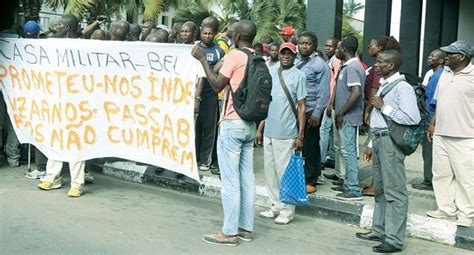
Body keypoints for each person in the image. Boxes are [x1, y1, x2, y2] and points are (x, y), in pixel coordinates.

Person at [192, 19, 257, 246]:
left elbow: (217, 85)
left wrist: (202, 60)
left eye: (232, 32)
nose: (229, 34)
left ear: (238, 36)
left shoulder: (235, 56)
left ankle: (229, 232)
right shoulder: (256, 57)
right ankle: (245, 228)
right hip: (249, 123)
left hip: (232, 122)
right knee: (247, 179)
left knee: (230, 181)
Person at [357, 50, 421, 253]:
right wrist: (369, 144)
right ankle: (379, 229)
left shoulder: (403, 88)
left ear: (391, 65)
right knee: (381, 190)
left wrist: (384, 107)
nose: (376, 65)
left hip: (390, 144)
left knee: (395, 192)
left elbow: (413, 118)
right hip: (378, 140)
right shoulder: (385, 84)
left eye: (380, 62)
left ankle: (394, 239)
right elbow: (377, 120)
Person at [256, 42, 307, 225]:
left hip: (287, 132)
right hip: (269, 128)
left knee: (284, 172)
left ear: (294, 56)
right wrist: (260, 128)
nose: (286, 56)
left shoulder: (299, 76)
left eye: (289, 53)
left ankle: (287, 210)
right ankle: (275, 205)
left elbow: (302, 107)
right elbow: (266, 101)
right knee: (270, 171)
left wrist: (300, 135)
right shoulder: (272, 70)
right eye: (283, 53)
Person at [426, 40, 473, 227]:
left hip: (466, 136)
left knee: (466, 177)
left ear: (462, 57)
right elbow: (439, 101)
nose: (446, 56)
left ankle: (467, 214)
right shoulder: (444, 73)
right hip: (441, 133)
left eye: (450, 54)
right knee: (441, 174)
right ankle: (445, 209)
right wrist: (433, 123)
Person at [329, 36, 365, 201]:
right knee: (344, 150)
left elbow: (356, 92)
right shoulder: (347, 67)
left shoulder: (352, 68)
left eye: (338, 48)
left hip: (348, 118)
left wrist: (341, 112)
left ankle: (353, 189)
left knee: (349, 152)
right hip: (344, 117)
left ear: (343, 49)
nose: (336, 51)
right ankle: (348, 183)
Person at [295, 31, 330, 193]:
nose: (304, 46)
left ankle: (311, 179)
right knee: (296, 145)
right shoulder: (293, 61)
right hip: (294, 110)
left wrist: (317, 113)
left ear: (314, 45)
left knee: (310, 145)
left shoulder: (320, 65)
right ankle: (299, 175)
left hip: (310, 110)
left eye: (307, 43)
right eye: (301, 42)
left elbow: (324, 92)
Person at [412, 49, 446, 191]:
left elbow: (436, 100)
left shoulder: (439, 75)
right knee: (428, 150)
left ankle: (429, 180)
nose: (429, 57)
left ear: (441, 60)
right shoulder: (433, 74)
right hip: (428, 116)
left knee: (429, 150)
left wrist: (431, 121)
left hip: (431, 118)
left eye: (433, 56)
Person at [194, 23, 225, 171]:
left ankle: (205, 160)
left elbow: (221, 71)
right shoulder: (194, 48)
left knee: (209, 129)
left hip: (211, 94)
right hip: (192, 95)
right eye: (205, 33)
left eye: (210, 33)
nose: (207, 36)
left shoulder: (219, 51)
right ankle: (193, 157)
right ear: (201, 33)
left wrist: (213, 69)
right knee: (193, 128)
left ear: (215, 34)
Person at [320, 37, 340, 173]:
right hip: (328, 99)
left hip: (331, 101)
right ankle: (332, 157)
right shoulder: (329, 61)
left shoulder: (336, 61)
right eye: (326, 46)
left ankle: (320, 160)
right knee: (331, 132)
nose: (327, 48)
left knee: (324, 130)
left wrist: (330, 103)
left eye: (330, 46)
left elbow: (337, 82)